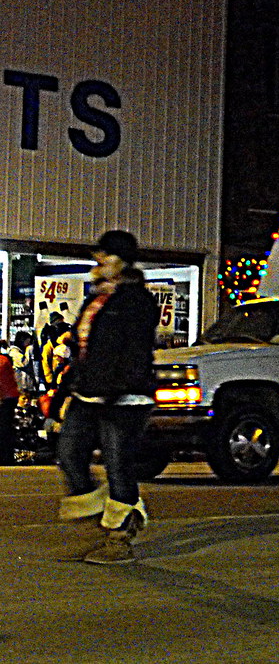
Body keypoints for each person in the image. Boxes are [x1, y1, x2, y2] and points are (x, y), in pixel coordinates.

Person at [55, 230, 159, 564]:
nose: (99, 260)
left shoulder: (137, 300)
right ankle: (119, 508)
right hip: (88, 392)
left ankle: (120, 536)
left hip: (125, 398)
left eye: (106, 255)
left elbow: (134, 352)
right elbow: (89, 350)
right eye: (99, 254)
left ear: (123, 261)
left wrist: (117, 389)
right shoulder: (97, 298)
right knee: (69, 453)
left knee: (118, 465)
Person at [0, 347, 19, 465]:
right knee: (6, 428)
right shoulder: (4, 360)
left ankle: (5, 456)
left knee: (3, 429)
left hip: (4, 398)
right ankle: (7, 456)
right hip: (10, 397)